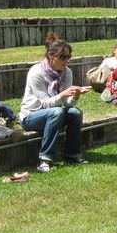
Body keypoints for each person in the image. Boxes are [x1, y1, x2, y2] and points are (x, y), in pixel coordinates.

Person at [20, 32, 91, 173]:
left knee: (75, 113)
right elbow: (46, 103)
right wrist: (64, 93)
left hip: (53, 113)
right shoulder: (36, 72)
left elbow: (67, 104)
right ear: (51, 56)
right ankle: (44, 159)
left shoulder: (67, 72)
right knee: (56, 111)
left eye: (69, 57)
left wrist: (75, 96)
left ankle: (72, 155)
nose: (66, 61)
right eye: (63, 57)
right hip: (31, 116)